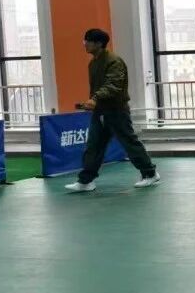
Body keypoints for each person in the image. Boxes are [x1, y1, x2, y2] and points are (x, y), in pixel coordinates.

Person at [65, 28, 161, 192]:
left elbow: (113, 85)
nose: (85, 44)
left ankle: (150, 174)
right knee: (93, 145)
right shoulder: (93, 63)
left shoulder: (114, 61)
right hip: (100, 111)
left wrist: (95, 99)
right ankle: (86, 181)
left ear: (99, 43)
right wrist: (93, 102)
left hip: (117, 111)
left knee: (129, 143)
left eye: (88, 41)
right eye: (84, 41)